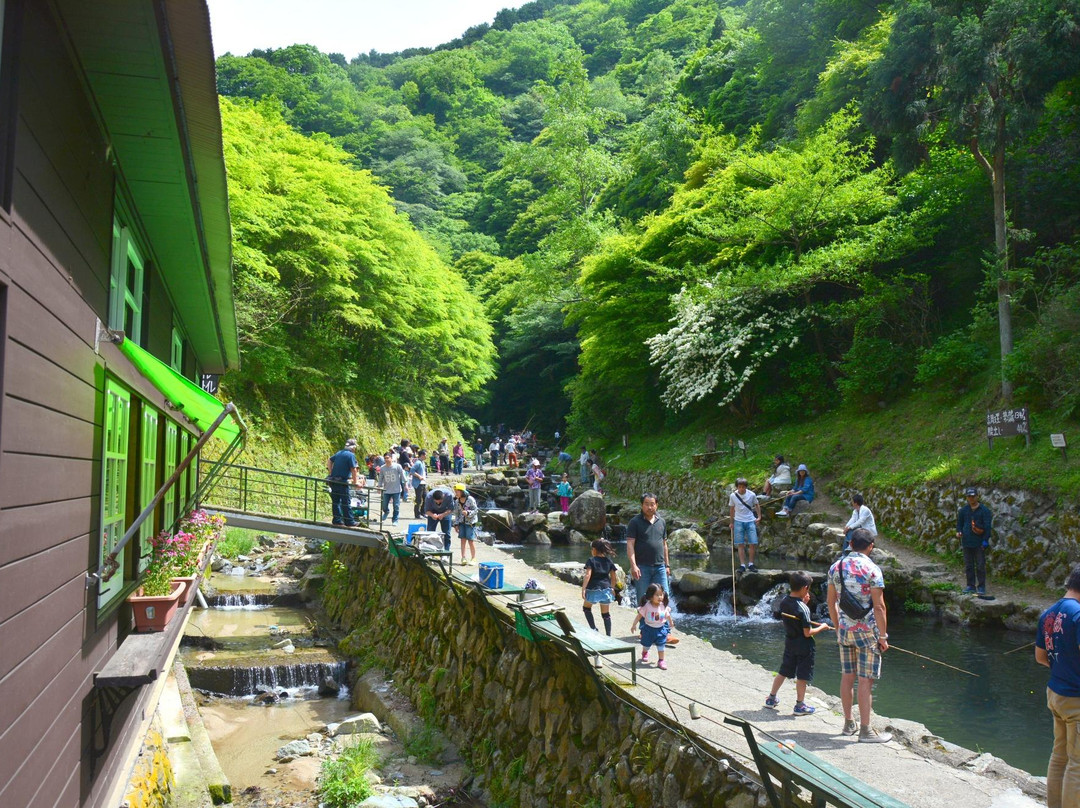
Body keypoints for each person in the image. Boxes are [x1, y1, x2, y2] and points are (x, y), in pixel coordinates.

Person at [827, 528, 892, 743]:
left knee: (847, 676)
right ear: (871, 546)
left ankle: (848, 724)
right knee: (865, 680)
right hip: (868, 633)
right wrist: (882, 636)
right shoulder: (873, 570)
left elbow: (831, 602)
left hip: (845, 631)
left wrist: (838, 627)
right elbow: (879, 606)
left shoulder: (836, 566)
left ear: (851, 544)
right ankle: (865, 730)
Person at [1035, 564, 1080, 808]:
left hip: (1056, 694)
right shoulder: (1078, 615)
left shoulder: (1048, 614)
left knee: (1059, 757)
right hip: (1077, 699)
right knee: (1078, 765)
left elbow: (1041, 657)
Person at [766, 571, 833, 714]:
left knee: (783, 671)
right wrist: (822, 627)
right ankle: (800, 705)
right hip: (804, 646)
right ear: (805, 588)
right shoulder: (804, 609)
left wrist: (803, 603)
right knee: (802, 675)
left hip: (790, 643)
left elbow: (796, 611)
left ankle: (771, 698)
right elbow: (807, 632)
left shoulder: (784, 601)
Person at [626, 493, 669, 605]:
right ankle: (644, 623)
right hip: (642, 568)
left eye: (652, 504)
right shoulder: (635, 522)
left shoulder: (662, 522)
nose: (649, 507)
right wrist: (633, 565)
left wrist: (667, 565)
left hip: (660, 567)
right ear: (641, 505)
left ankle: (663, 622)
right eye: (646, 504)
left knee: (664, 599)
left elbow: (664, 544)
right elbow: (630, 544)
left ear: (657, 505)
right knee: (643, 600)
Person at [956, 487, 993, 595]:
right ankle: (970, 585)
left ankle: (981, 586)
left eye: (973, 496)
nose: (971, 498)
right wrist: (958, 532)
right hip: (966, 541)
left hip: (979, 542)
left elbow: (987, 527)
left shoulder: (985, 510)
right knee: (969, 565)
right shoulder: (963, 511)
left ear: (977, 496)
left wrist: (985, 540)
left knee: (980, 565)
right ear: (967, 498)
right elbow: (959, 524)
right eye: (969, 496)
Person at [630, 584, 674, 670]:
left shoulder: (663, 606)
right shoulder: (647, 606)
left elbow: (667, 615)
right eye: (657, 595)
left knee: (661, 646)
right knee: (646, 645)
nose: (660, 597)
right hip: (648, 629)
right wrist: (634, 625)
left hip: (661, 629)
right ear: (650, 596)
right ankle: (645, 652)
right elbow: (639, 616)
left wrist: (671, 623)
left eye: (661, 594)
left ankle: (661, 660)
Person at [581, 538, 618, 636]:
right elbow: (614, 577)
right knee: (605, 614)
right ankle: (608, 635)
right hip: (606, 590)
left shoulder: (591, 560)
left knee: (586, 608)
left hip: (593, 589)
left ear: (594, 549)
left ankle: (593, 628)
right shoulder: (609, 561)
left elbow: (588, 575)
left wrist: (583, 588)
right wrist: (612, 588)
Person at [729, 477, 762, 572]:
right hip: (738, 521)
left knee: (752, 543)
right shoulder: (733, 496)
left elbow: (757, 505)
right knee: (740, 544)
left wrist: (759, 517)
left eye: (743, 487)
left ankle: (751, 564)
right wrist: (731, 522)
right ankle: (742, 565)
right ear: (737, 487)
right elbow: (731, 509)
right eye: (739, 487)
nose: (741, 489)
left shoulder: (752, 495)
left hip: (750, 520)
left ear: (746, 487)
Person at [326, 439, 361, 527]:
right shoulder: (351, 455)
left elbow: (329, 460)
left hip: (333, 481)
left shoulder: (339, 453)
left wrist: (330, 473)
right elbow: (353, 469)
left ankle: (337, 520)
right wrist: (356, 482)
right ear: (353, 447)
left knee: (336, 501)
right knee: (346, 502)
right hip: (342, 482)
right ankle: (349, 522)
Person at [377, 451, 408, 525]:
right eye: (385, 458)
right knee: (384, 505)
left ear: (391, 458)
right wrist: (379, 487)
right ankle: (386, 511)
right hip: (386, 490)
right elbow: (380, 478)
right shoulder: (382, 468)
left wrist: (405, 485)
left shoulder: (397, 466)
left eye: (388, 458)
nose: (386, 460)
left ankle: (395, 520)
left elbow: (403, 475)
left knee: (396, 506)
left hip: (396, 490)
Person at [453, 483, 479, 565]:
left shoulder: (470, 499)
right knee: (462, 540)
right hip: (461, 523)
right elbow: (456, 514)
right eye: (455, 491)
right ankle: (463, 557)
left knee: (470, 540)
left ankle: (473, 558)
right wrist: (456, 524)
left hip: (470, 523)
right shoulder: (457, 501)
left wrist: (468, 513)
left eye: (458, 491)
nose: (456, 493)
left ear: (462, 492)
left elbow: (476, 510)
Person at [410, 450, 428, 520]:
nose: (426, 456)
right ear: (422, 455)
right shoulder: (418, 462)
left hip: (423, 483)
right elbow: (412, 471)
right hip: (418, 484)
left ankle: (423, 513)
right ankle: (417, 514)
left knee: (425, 498)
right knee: (418, 499)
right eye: (425, 455)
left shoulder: (422, 462)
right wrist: (419, 476)